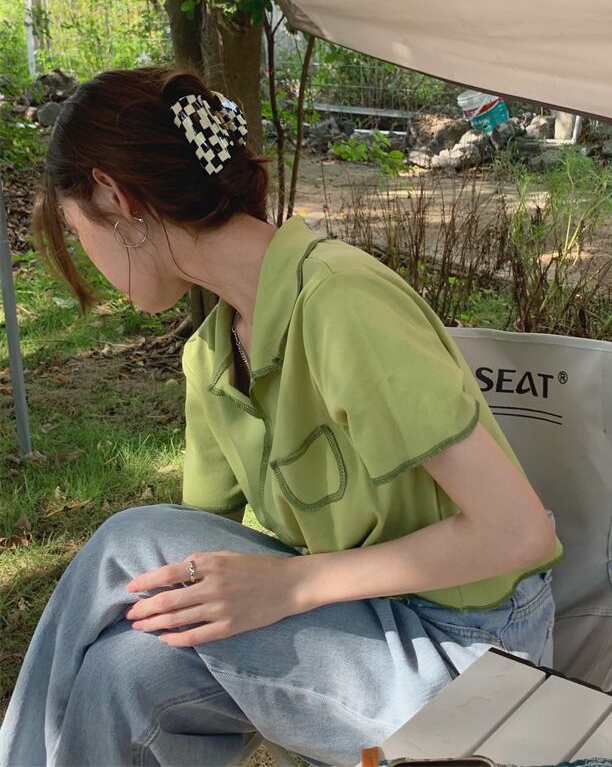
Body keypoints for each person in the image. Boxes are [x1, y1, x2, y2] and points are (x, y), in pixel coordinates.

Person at [0, 65, 563, 766]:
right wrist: (265, 585)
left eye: (76, 228)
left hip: (471, 654)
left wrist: (294, 582)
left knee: (128, 541)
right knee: (126, 669)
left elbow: (518, 532)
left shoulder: (339, 302)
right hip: (361, 631)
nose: (85, 256)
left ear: (114, 195)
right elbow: (189, 571)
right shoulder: (212, 356)